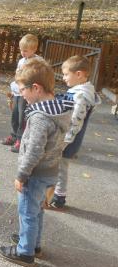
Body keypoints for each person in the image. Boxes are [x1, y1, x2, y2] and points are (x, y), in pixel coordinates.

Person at [0, 58, 72, 267]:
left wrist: (21, 175)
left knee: (27, 213)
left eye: (23, 91)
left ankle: (25, 252)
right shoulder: (58, 108)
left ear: (36, 88)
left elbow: (34, 151)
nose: (22, 95)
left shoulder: (40, 117)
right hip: (50, 171)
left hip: (36, 174)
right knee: (37, 210)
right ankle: (33, 244)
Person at [48, 56, 101, 209]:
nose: (63, 78)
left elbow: (76, 122)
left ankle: (59, 197)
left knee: (61, 167)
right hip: (66, 137)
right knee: (59, 166)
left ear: (79, 74)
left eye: (66, 74)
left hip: (67, 139)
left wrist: (64, 141)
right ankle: (55, 192)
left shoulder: (81, 96)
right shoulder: (78, 91)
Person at [0, 34, 42, 153]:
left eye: (25, 50)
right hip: (18, 91)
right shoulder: (21, 60)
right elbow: (17, 74)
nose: (22, 52)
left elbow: (37, 77)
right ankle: (13, 135)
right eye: (21, 50)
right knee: (15, 115)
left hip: (28, 93)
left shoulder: (37, 62)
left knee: (23, 117)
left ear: (34, 49)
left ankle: (21, 140)